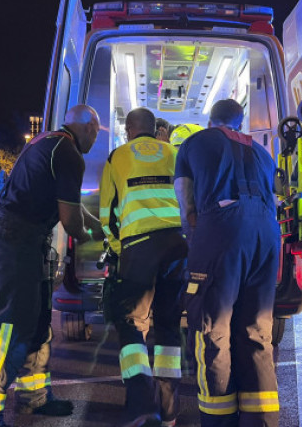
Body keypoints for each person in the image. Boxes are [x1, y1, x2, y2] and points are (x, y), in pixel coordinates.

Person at [0, 105, 104, 427]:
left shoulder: (45, 141)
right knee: (12, 327)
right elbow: (70, 221)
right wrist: (89, 239)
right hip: (15, 239)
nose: (96, 138)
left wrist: (95, 225)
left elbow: (70, 206)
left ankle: (34, 396)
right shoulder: (69, 154)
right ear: (90, 127)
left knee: (38, 322)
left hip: (18, 236)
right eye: (97, 131)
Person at [175, 98, 281, 427]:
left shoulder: (195, 142)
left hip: (221, 230)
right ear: (240, 120)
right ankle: (260, 420)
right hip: (266, 234)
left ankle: (219, 421)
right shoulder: (264, 154)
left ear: (210, 120)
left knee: (212, 332)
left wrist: (195, 243)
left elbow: (186, 202)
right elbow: (274, 201)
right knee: (257, 331)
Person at [99, 107, 188, 427]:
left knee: (132, 323)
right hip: (178, 246)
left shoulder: (117, 156)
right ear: (156, 129)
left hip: (138, 248)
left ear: (128, 130)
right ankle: (169, 411)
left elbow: (107, 213)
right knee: (168, 326)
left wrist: (117, 248)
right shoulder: (175, 153)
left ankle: (141, 406)